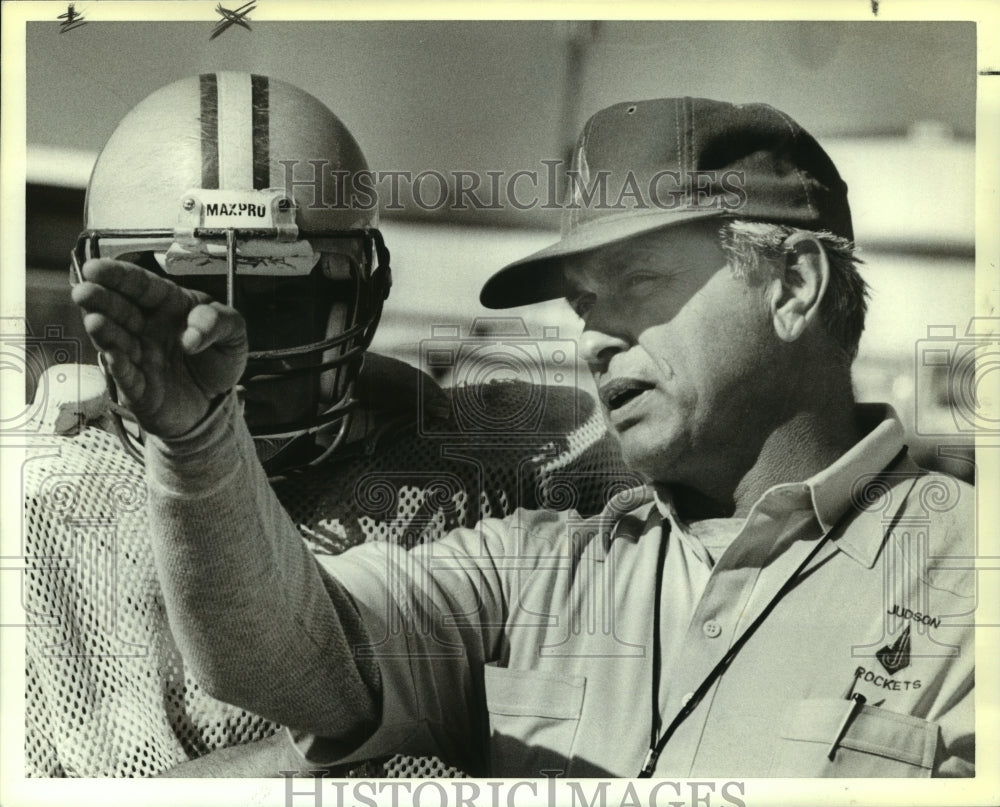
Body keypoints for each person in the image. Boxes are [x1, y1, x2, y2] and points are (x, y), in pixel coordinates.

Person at [71, 96, 975, 778]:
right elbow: (285, 661)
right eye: (583, 301)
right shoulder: (534, 568)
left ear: (793, 286)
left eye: (635, 283)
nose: (591, 335)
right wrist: (196, 440)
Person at [26, 72, 629, 777]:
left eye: (278, 300)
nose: (228, 346)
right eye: (180, 298)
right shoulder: (42, 500)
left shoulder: (504, 464)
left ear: (362, 301)